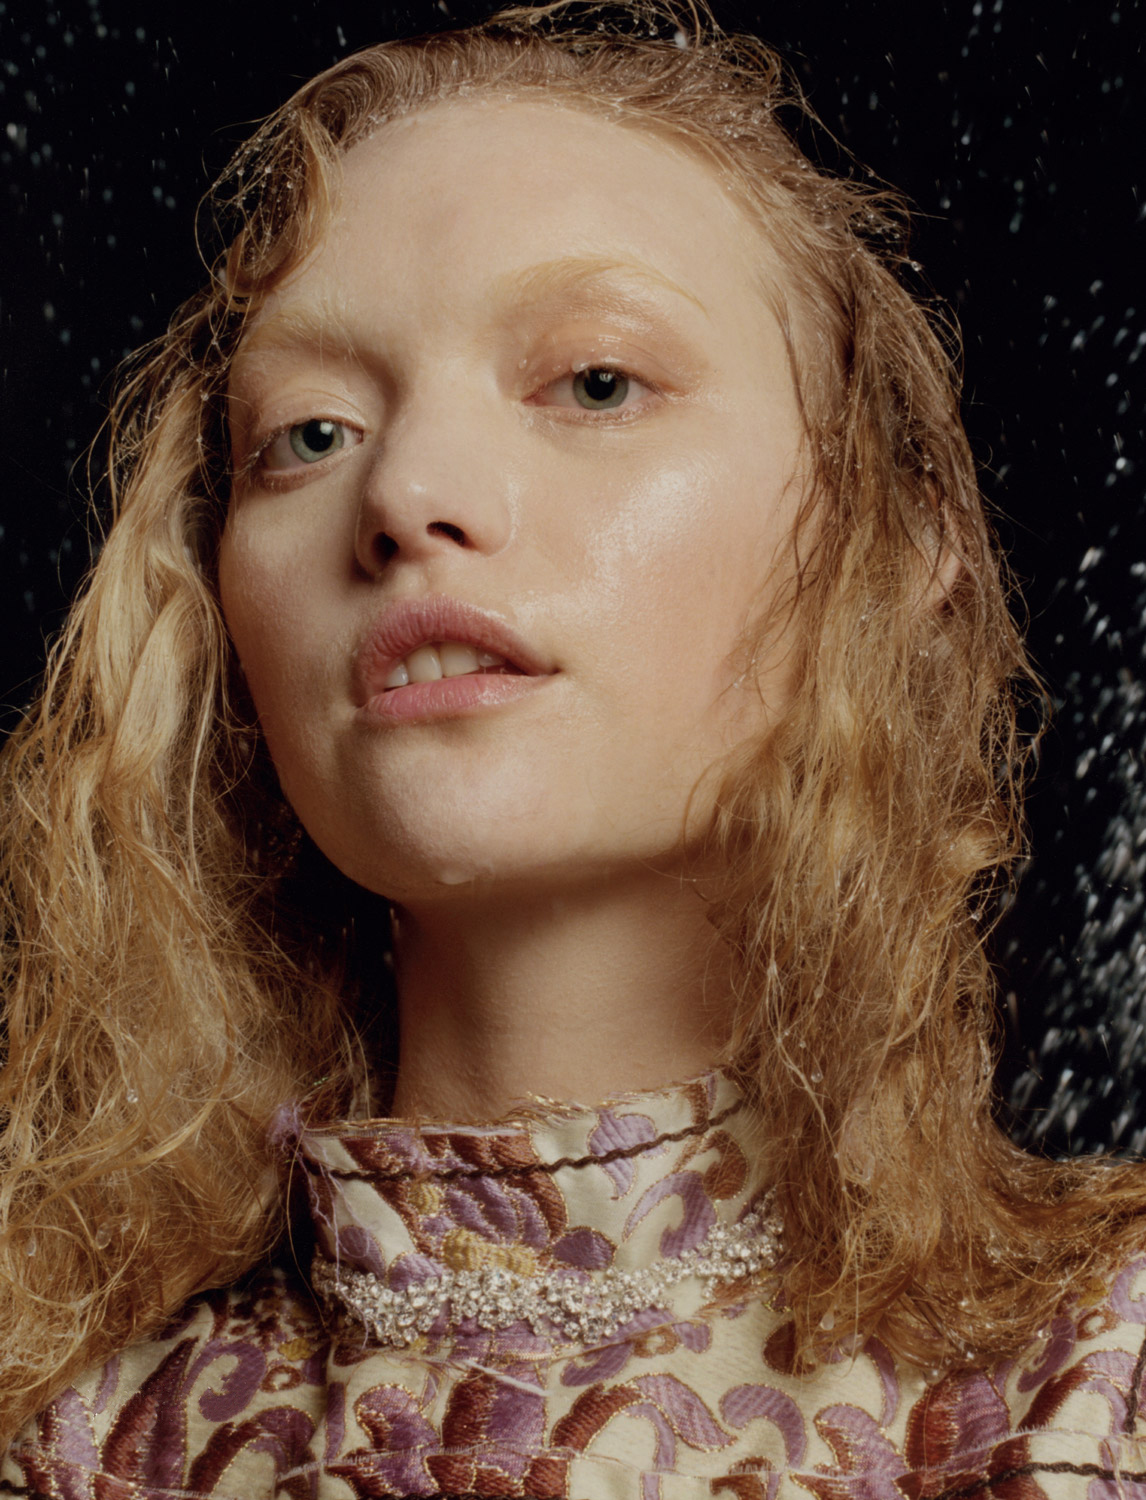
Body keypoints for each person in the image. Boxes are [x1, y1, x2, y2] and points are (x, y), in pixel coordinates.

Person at [2, 0, 1146, 1494]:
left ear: (891, 546)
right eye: (312, 432)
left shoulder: (1103, 1373)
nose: (405, 491)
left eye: (596, 384)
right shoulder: (66, 1434)